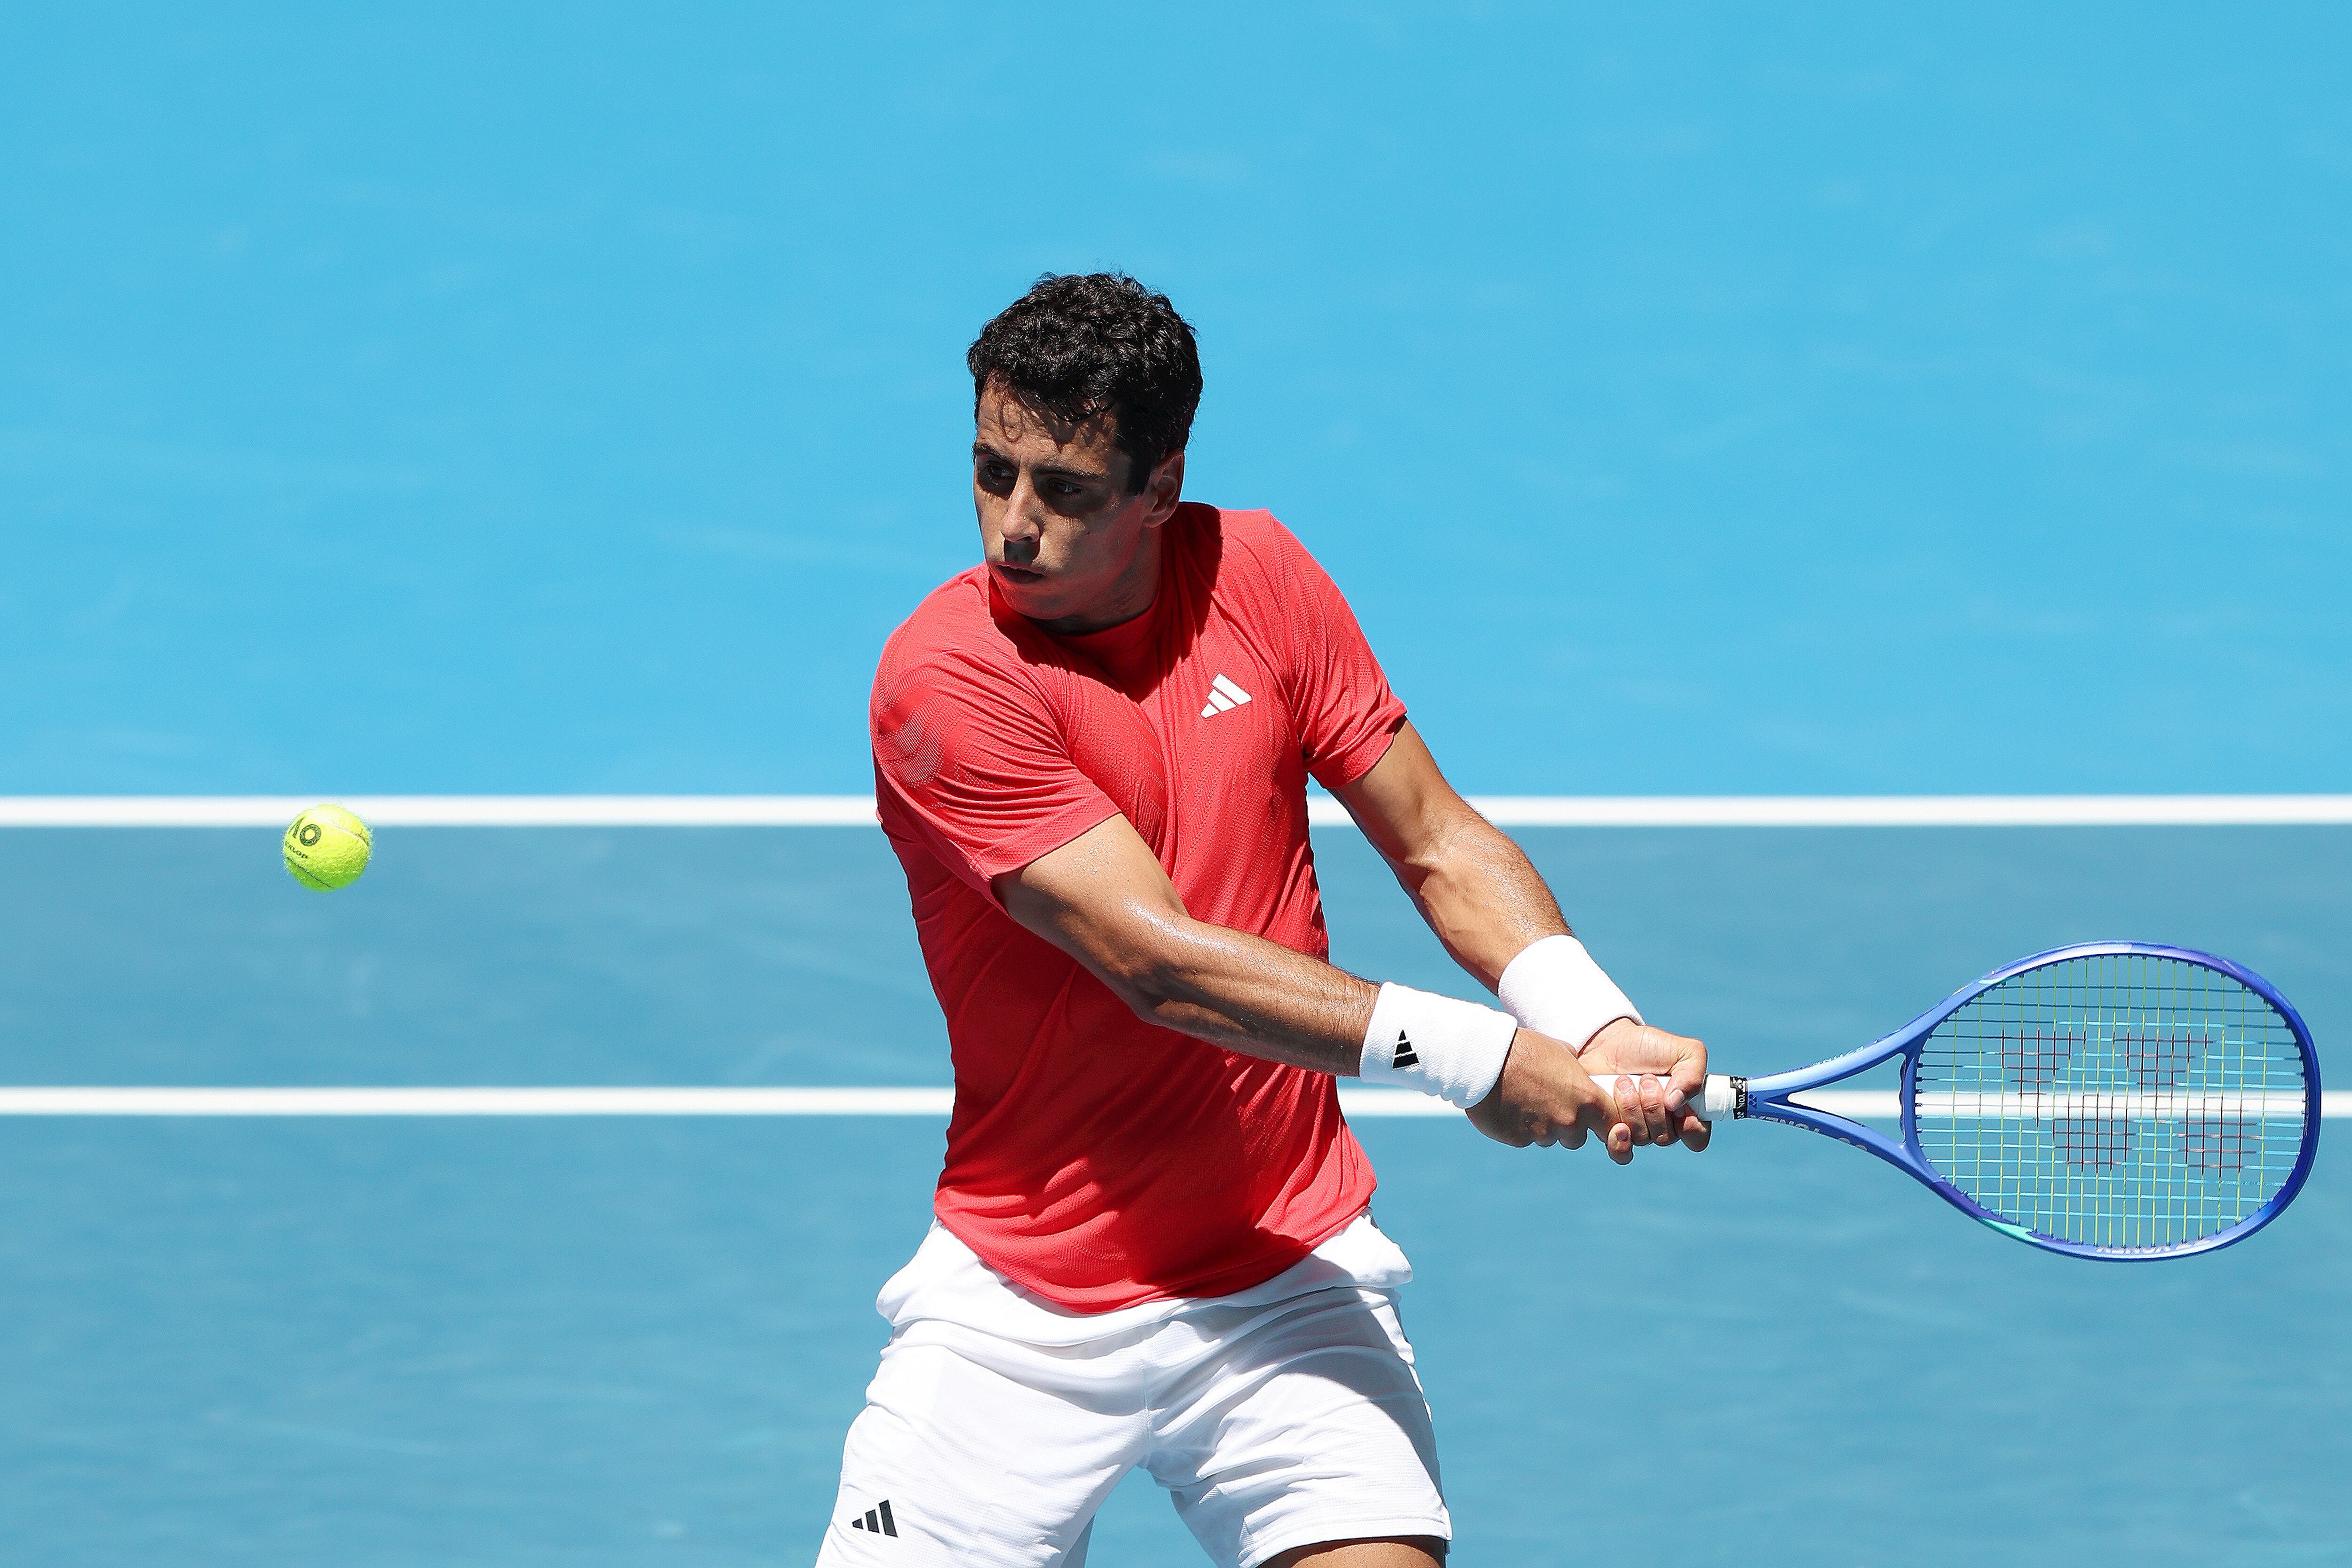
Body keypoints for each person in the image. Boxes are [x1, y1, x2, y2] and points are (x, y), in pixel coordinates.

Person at [822, 274, 1708, 1568]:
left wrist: (1589, 1018)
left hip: (1283, 1277)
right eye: (991, 471)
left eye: (1065, 489)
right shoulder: (945, 679)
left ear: (1161, 486)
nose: (1014, 525)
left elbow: (1436, 838)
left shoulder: (1263, 575)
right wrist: (1481, 1060)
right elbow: (1157, 965)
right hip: (1023, 1311)